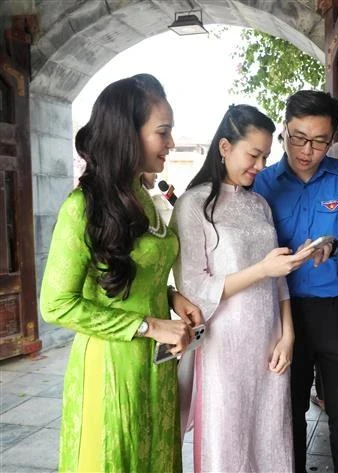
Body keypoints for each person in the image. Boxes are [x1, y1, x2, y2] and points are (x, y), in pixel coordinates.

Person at [40, 73, 204, 472]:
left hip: (157, 363)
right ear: (127, 135)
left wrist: (170, 297)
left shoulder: (141, 199)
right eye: (162, 133)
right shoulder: (82, 207)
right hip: (111, 365)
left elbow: (129, 271)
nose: (171, 143)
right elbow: (56, 306)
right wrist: (149, 326)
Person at [171, 104, 313, 472]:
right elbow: (194, 287)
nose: (261, 166)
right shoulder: (193, 205)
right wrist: (261, 269)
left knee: (271, 436)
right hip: (223, 345)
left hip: (268, 342)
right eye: (254, 154)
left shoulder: (260, 205)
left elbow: (278, 277)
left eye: (266, 156)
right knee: (227, 441)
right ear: (224, 147)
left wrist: (288, 335)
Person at [253, 90, 338, 473]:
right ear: (284, 132)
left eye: (320, 141)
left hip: (337, 309)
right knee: (287, 411)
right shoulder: (262, 184)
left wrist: (336, 246)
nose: (307, 150)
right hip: (281, 313)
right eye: (298, 138)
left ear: (332, 139)